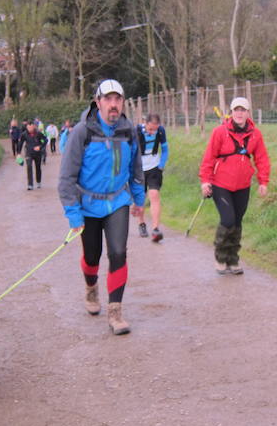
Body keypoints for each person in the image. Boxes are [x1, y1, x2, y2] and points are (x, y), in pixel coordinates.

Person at [59, 79, 145, 335]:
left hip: (117, 201)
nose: (114, 104)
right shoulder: (82, 133)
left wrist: (139, 200)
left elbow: (136, 169)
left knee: (118, 253)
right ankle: (90, 286)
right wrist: (73, 215)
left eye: (118, 99)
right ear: (98, 102)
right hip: (88, 206)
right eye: (108, 99)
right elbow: (66, 179)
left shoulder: (128, 131)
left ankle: (115, 311)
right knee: (92, 256)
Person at [198, 96, 270, 275]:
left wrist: (263, 181)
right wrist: (205, 180)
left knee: (237, 222)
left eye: (243, 110)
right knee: (228, 219)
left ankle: (233, 258)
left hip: (243, 185)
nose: (239, 113)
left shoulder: (255, 134)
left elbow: (261, 159)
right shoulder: (219, 132)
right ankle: (221, 257)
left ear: (247, 113)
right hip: (221, 183)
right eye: (236, 109)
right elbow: (209, 158)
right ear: (231, 112)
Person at [137, 113, 169, 242]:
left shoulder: (160, 131)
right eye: (150, 129)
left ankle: (155, 228)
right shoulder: (136, 131)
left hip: (154, 168)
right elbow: (131, 150)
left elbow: (165, 150)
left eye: (155, 129)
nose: (152, 132)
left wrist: (161, 165)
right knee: (141, 198)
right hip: (139, 169)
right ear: (145, 123)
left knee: (154, 195)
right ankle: (141, 223)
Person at [19, 120, 48, 190]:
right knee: (29, 167)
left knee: (38, 168)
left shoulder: (38, 133)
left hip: (38, 153)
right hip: (29, 152)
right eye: (28, 128)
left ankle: (38, 182)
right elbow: (20, 143)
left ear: (34, 127)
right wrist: (18, 153)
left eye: (31, 128)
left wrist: (40, 147)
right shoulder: (24, 134)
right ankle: (30, 185)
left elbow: (45, 140)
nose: (29, 130)